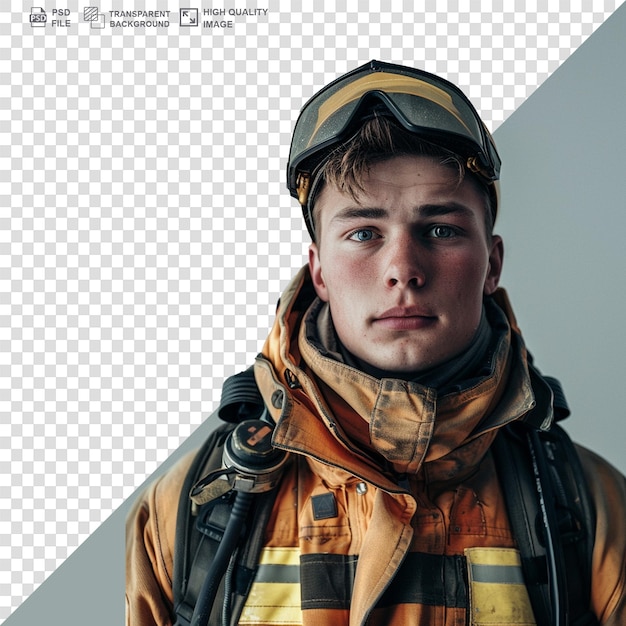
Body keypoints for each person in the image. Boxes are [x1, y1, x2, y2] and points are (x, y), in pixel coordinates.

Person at [126, 60, 626, 626]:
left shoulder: (593, 510)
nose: (403, 270)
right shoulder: (188, 510)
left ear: (493, 264)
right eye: (363, 233)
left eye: (441, 229)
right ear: (318, 272)